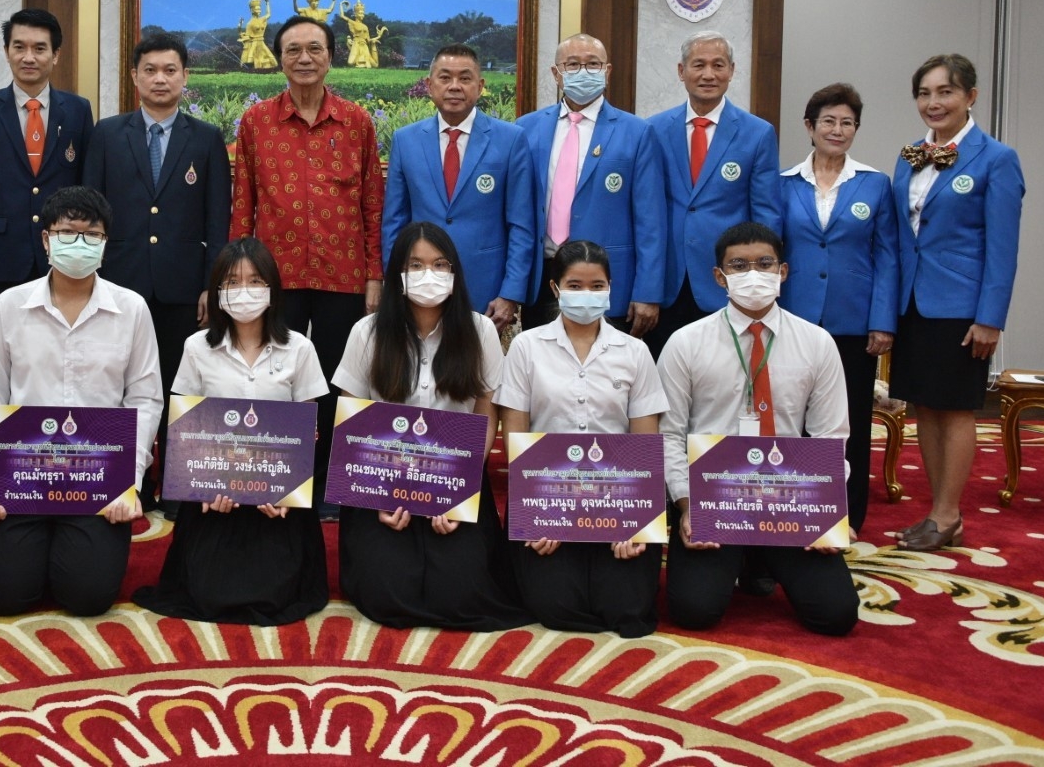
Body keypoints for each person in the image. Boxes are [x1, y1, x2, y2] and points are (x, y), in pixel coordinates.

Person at [0, 186, 161, 616]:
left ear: (105, 243)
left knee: (87, 597)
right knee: (3, 596)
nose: (79, 243)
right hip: (20, 475)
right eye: (67, 232)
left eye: (91, 235)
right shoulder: (10, 306)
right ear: (46, 239)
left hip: (99, 477)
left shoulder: (132, 309)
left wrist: (128, 481)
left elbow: (145, 398)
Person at [658, 222, 858, 636]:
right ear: (720, 277)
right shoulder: (685, 343)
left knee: (835, 615)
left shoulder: (817, 343)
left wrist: (827, 511)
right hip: (713, 500)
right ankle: (748, 560)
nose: (753, 274)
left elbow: (831, 437)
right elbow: (669, 435)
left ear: (782, 271)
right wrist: (687, 506)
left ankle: (759, 560)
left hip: (791, 502)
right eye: (739, 265)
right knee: (694, 611)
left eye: (764, 264)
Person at [331, 221, 526, 630]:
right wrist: (377, 496)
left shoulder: (480, 330)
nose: (428, 275)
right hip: (380, 481)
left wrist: (459, 486)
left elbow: (485, 411)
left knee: (462, 591)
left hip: (454, 479)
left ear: (454, 272)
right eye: (416, 265)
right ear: (398, 274)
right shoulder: (366, 332)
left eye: (439, 265)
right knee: (387, 592)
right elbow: (351, 419)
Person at [231, 14, 384, 513]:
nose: (304, 58)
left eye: (314, 49)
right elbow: (243, 203)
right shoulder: (256, 122)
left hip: (344, 274)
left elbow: (373, 205)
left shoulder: (357, 121)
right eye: (293, 50)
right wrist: (236, 276)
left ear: (331, 57)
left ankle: (336, 488)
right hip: (276, 276)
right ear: (279, 59)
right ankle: (281, 481)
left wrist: (375, 275)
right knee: (279, 379)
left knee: (342, 383)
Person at [132, 238, 330, 625]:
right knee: (207, 593)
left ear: (272, 289)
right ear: (218, 291)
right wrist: (203, 487)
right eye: (233, 282)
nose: (244, 291)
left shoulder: (299, 348)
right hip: (213, 499)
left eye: (255, 281)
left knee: (277, 595)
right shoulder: (196, 348)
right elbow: (184, 429)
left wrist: (286, 493)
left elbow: (308, 430)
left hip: (279, 503)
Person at [82, 32, 231, 513]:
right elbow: (90, 214)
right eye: (150, 70)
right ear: (134, 77)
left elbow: (217, 219)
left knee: (175, 384)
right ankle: (129, 480)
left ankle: (177, 483)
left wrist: (211, 285)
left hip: (182, 287)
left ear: (185, 76)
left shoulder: (206, 138)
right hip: (118, 282)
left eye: (170, 70)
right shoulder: (107, 134)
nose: (160, 79)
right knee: (121, 385)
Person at [498, 239, 668, 636]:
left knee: (625, 609)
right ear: (555, 288)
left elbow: (645, 446)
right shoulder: (526, 347)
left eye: (597, 286)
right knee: (558, 607)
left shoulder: (635, 352)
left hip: (619, 501)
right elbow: (515, 439)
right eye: (575, 285)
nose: (586, 295)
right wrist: (536, 515)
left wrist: (632, 522)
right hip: (546, 500)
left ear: (610, 289)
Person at [890, 54, 1024, 552]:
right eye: (924, 93)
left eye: (945, 92)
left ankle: (948, 514)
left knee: (955, 408)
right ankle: (939, 512)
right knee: (924, 407)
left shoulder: (996, 159)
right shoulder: (910, 156)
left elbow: (1003, 248)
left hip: (961, 306)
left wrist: (990, 318)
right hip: (912, 302)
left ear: (970, 96)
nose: (934, 102)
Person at [779, 83, 898, 534]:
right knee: (793, 415)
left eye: (847, 122)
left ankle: (847, 513)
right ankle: (795, 505)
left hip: (854, 323)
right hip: (793, 319)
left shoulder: (875, 184)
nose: (838, 129)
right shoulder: (784, 183)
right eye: (828, 121)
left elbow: (888, 258)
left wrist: (882, 322)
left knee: (850, 420)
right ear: (809, 126)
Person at [0, 7, 94, 330]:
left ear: (56, 55)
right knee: (1, 349)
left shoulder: (78, 110)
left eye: (39, 48)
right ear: (7, 52)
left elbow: (88, 190)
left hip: (64, 257)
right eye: (19, 47)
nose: (29, 57)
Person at [516, 33, 666, 336]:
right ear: (556, 74)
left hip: (606, 280)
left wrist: (648, 291)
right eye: (573, 65)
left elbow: (651, 220)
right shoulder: (526, 129)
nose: (583, 72)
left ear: (607, 71)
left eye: (593, 64)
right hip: (543, 277)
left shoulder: (637, 132)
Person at [645, 32, 783, 358]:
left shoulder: (757, 133)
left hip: (729, 281)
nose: (709, 74)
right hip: (667, 282)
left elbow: (766, 215)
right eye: (699, 65)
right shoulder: (653, 129)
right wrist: (645, 288)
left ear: (732, 71)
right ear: (681, 71)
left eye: (718, 65)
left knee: (725, 376)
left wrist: (761, 281)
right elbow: (644, 212)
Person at [383, 44, 537, 331]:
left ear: (480, 86)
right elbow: (395, 221)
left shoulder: (510, 139)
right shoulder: (406, 140)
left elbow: (522, 225)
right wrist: (394, 284)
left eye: (465, 78)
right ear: (429, 85)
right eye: (445, 77)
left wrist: (511, 293)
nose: (454, 86)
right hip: (420, 285)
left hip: (486, 288)